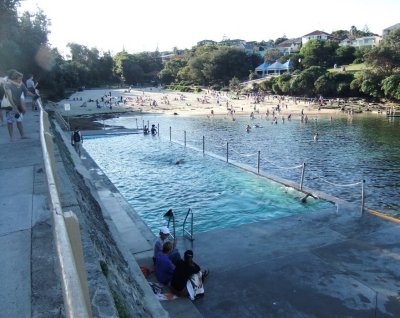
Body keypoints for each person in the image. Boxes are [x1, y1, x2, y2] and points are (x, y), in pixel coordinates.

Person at [1, 69, 35, 141]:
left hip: (18, 104)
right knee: (10, 121)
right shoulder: (8, 85)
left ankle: (22, 135)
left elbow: (26, 91)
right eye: (19, 79)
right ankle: (11, 138)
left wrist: (34, 95)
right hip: (10, 105)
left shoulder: (21, 84)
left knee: (19, 119)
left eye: (21, 79)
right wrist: (15, 108)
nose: (20, 80)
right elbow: (10, 98)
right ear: (14, 79)